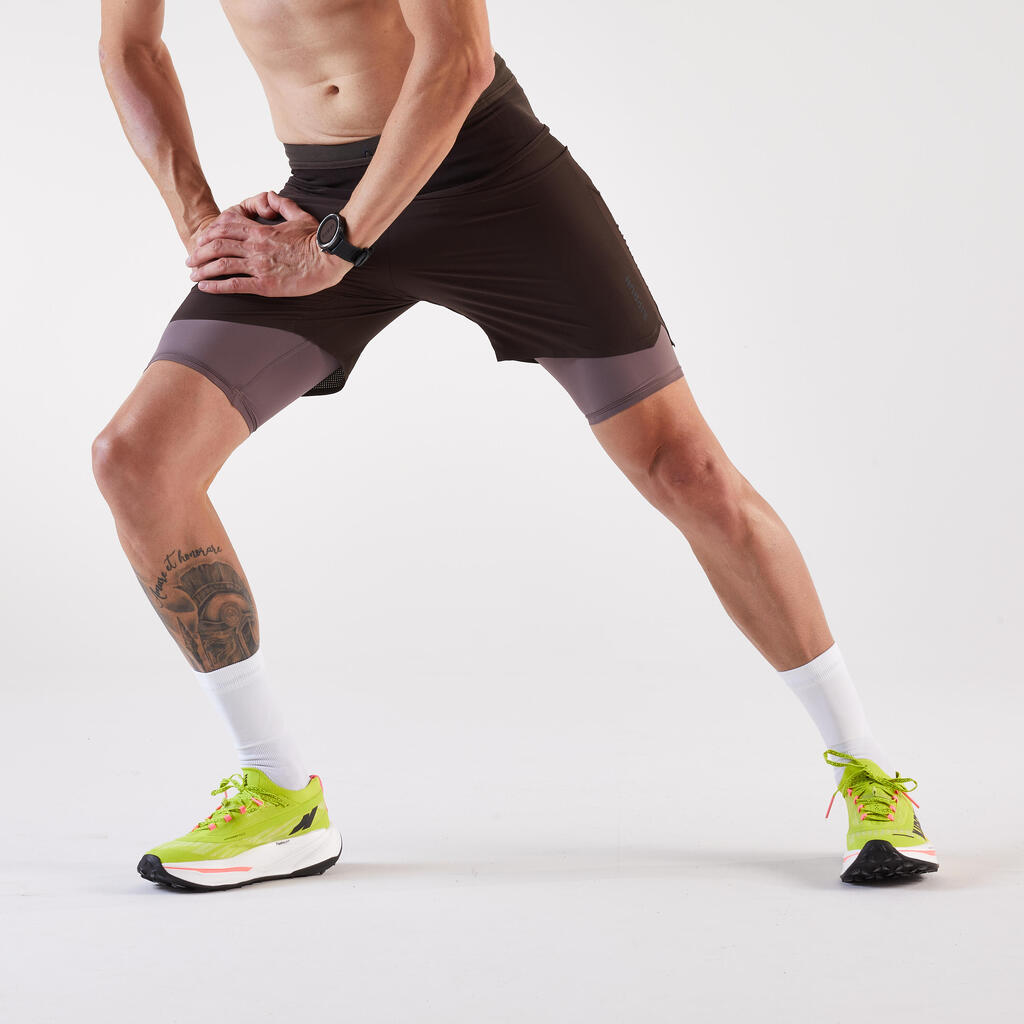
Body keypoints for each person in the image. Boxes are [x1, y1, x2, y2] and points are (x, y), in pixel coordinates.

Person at [94, 0, 936, 890]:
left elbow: (458, 57)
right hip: (320, 199)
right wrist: (201, 225)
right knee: (136, 461)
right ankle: (278, 791)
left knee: (687, 472)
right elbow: (130, 44)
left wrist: (340, 247)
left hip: (489, 183)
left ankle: (867, 769)